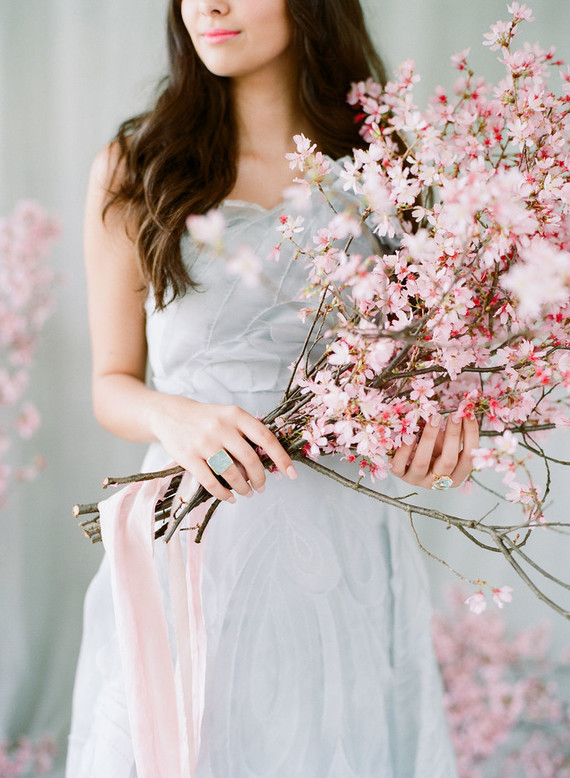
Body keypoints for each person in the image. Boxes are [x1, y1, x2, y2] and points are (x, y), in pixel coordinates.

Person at [66, 1, 479, 776]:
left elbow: (427, 375)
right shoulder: (137, 163)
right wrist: (177, 419)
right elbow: (111, 384)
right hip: (189, 549)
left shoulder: (383, 167)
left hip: (343, 560)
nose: (209, 6)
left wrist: (438, 441)